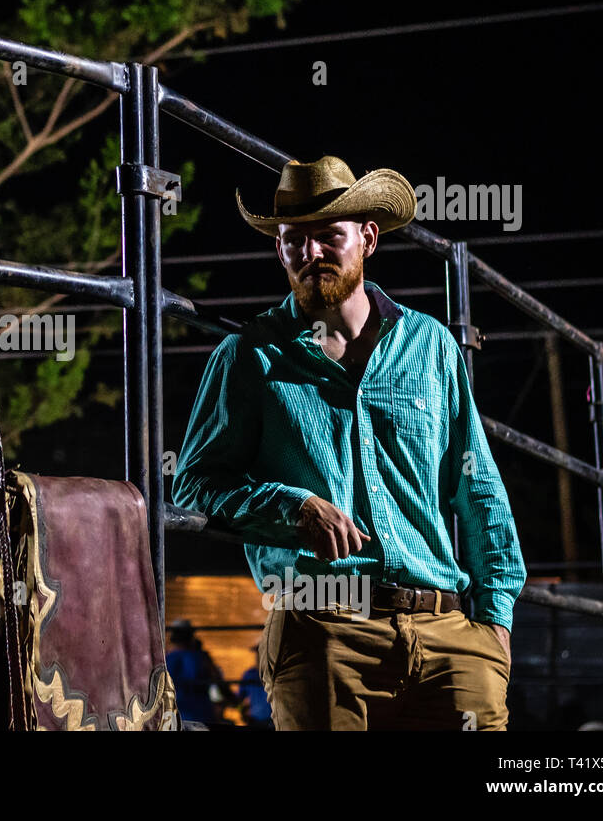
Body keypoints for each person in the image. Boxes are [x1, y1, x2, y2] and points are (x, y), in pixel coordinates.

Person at [173, 156, 526, 730]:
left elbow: (477, 484)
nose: (310, 254)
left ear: (367, 237)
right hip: (322, 626)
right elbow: (194, 483)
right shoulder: (249, 357)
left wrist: (495, 622)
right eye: (294, 240)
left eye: (327, 236)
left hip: (447, 631)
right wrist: (292, 505)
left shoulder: (430, 346)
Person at [165, 619, 228, 725]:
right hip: (201, 715)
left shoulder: (165, 660)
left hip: (173, 716)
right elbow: (219, 682)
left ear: (172, 638)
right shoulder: (202, 658)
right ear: (191, 637)